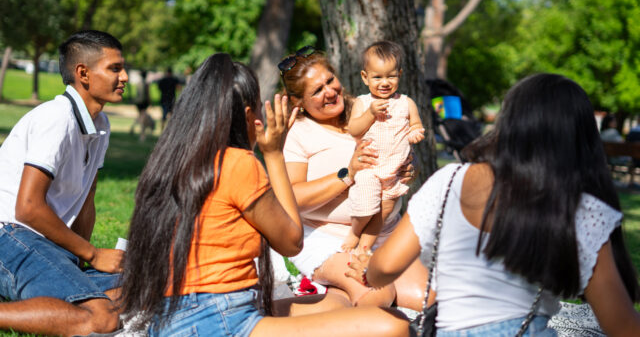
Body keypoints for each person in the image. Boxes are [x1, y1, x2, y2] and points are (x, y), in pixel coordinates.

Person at [120, 53, 409, 337]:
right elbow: (291, 241)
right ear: (250, 116)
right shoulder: (239, 163)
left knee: (335, 304)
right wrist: (273, 155)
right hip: (220, 318)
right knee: (394, 324)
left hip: (171, 315)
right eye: (260, 106)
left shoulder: (168, 162)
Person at [347, 73, 640, 336]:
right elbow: (623, 327)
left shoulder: (449, 181)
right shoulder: (578, 206)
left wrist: (367, 269)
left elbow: (385, 266)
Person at [0, 30, 129, 336]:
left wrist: (77, 263)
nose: (125, 77)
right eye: (114, 68)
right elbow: (28, 209)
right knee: (103, 319)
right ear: (82, 73)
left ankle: (47, 297)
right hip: (10, 235)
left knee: (140, 287)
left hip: (44, 243)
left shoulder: (101, 125)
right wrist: (92, 254)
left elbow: (87, 197)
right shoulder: (57, 117)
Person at [280, 46, 427, 309]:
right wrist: (348, 174)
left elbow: (401, 147)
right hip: (333, 241)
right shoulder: (299, 133)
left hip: (386, 235)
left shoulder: (367, 105)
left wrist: (408, 170)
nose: (330, 91)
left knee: (428, 299)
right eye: (317, 90)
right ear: (297, 102)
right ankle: (288, 317)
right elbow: (293, 198)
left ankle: (334, 301)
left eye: (329, 80)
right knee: (378, 295)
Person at [343, 41, 425, 253]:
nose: (384, 82)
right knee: (366, 207)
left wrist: (416, 132)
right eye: (377, 77)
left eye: (391, 76)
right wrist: (370, 114)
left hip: (395, 171)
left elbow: (416, 124)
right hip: (369, 168)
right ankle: (355, 232)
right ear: (365, 77)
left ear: (399, 74)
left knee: (384, 211)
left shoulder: (406, 103)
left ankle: (364, 246)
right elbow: (354, 129)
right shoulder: (362, 103)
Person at [130, 69, 154, 141]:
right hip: (144, 103)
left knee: (140, 116)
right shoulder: (146, 84)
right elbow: (148, 94)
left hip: (138, 103)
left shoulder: (138, 83)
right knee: (143, 119)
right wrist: (150, 103)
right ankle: (142, 135)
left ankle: (132, 128)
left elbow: (137, 94)